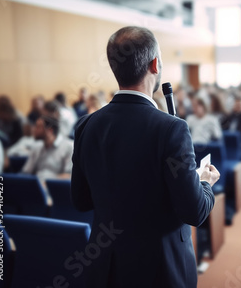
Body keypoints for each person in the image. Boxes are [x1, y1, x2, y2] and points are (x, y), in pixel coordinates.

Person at [71, 26, 219, 288]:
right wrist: (205, 182)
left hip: (105, 266)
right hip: (159, 269)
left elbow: (81, 201)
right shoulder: (172, 129)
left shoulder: (86, 124)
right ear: (155, 64)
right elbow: (195, 211)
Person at [22, 116, 73, 181]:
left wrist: (47, 182)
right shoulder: (37, 147)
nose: (34, 130)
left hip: (55, 187)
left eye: (38, 127)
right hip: (36, 187)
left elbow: (69, 176)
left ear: (50, 131)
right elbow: (25, 172)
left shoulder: (69, 147)